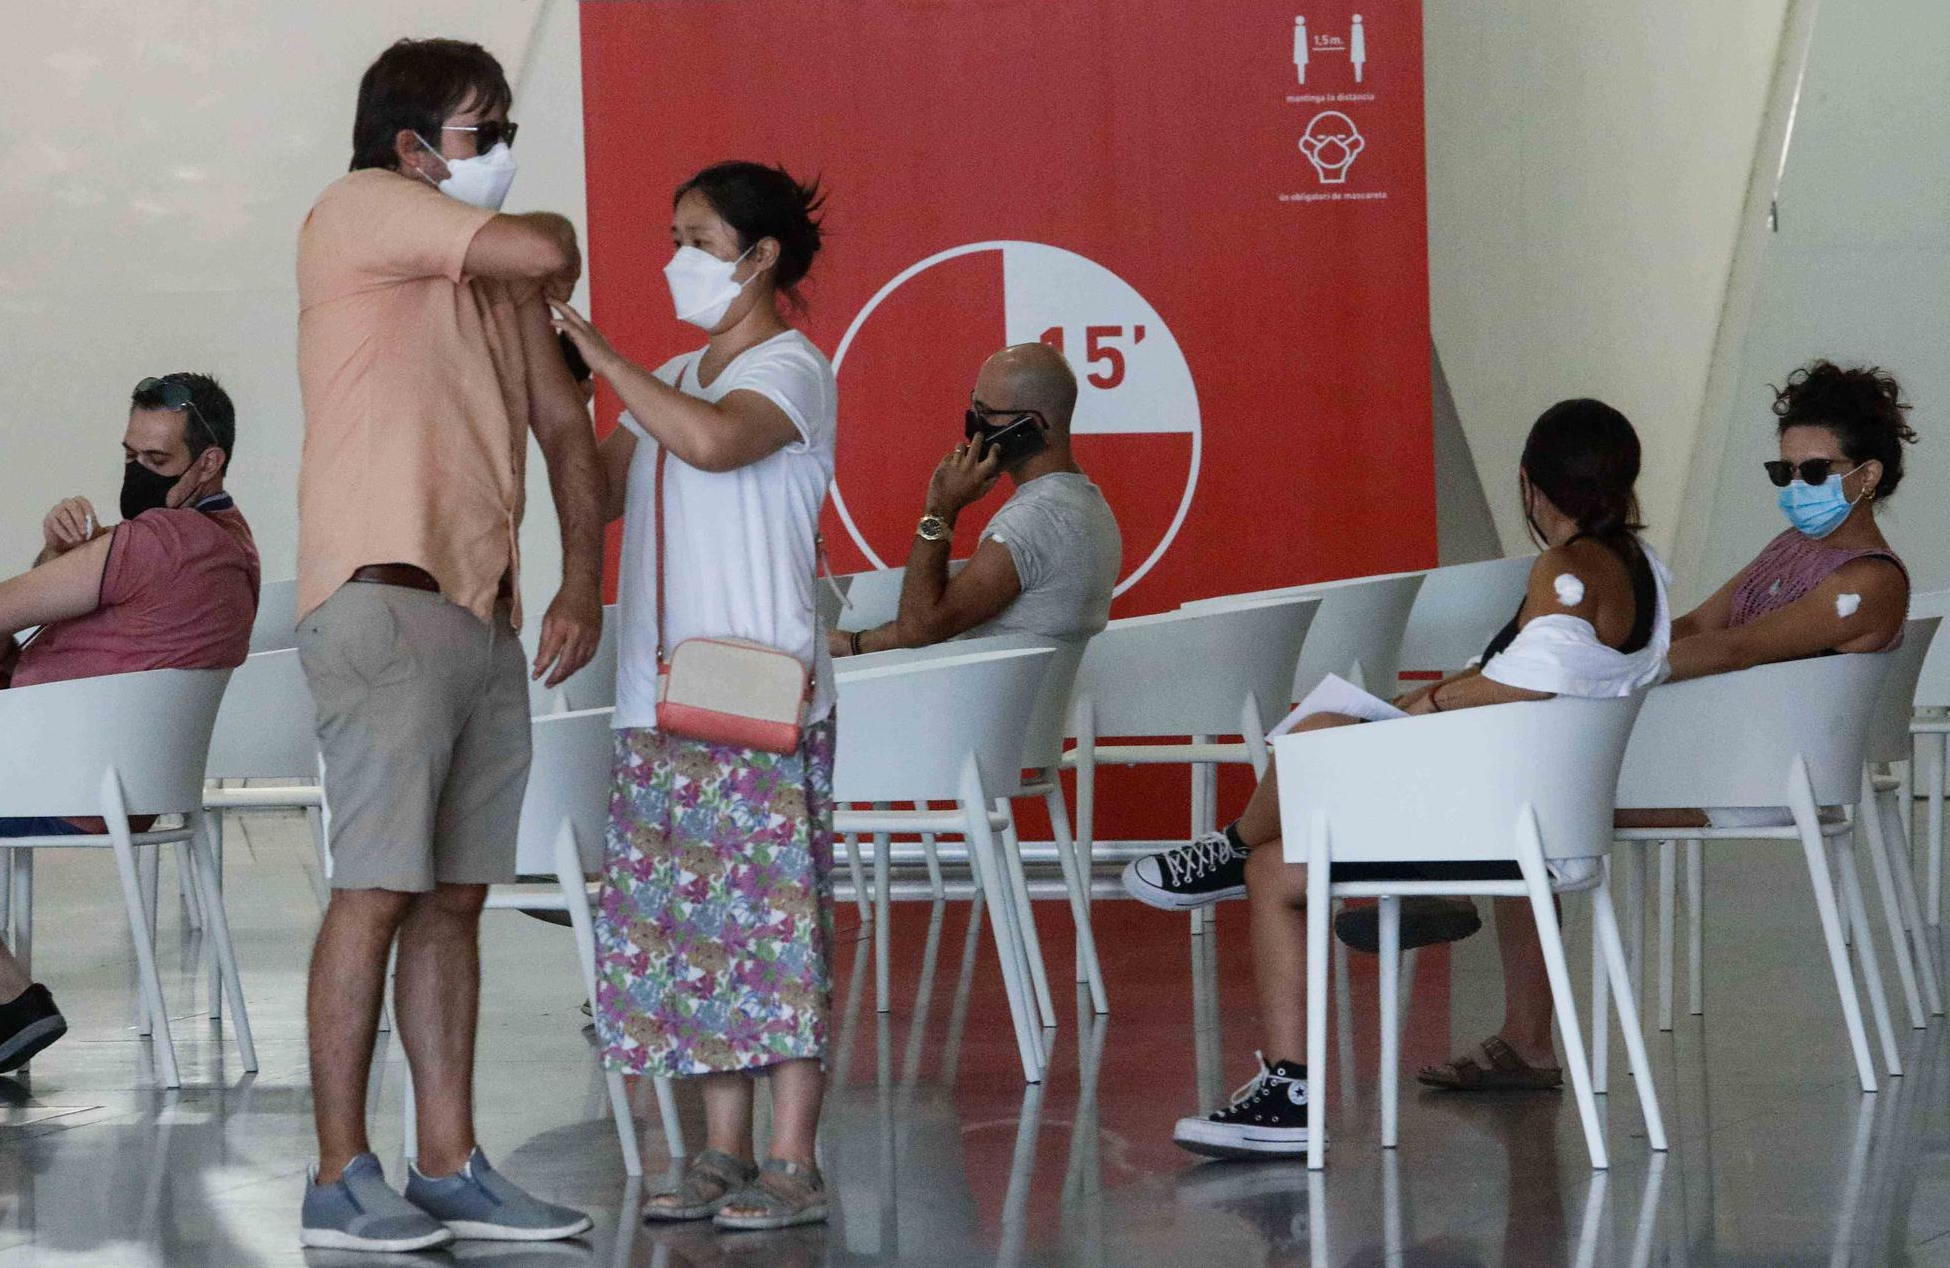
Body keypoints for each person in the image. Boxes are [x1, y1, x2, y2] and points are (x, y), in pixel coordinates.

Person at [1149, 399, 1671, 1158]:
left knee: (1280, 846)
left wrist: (1424, 701)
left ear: (1529, 485)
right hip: (1548, 815)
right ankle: (1254, 859)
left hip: (1491, 820)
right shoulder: (1642, 570)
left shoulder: (1565, 569)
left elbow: (1530, 680)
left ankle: (1286, 1079)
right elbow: (1541, 673)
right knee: (1330, 738)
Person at [294, 37, 604, 1253]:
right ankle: (335, 1175)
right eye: (484, 131)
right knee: (374, 888)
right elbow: (549, 244)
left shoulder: (489, 276)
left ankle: (447, 1161)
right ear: (413, 143)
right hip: (382, 595)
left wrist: (581, 577)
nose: (504, 152)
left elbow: (567, 428)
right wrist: (538, 227)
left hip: (482, 611)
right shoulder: (361, 207)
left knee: (453, 899)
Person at [1414, 361, 1914, 1092]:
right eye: (1783, 469)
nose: (1793, 486)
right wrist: (1616, 646)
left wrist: (1596, 665)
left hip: (1756, 775)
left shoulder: (1870, 580)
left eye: (1813, 470)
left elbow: (1734, 645)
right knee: (1532, 776)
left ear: (1865, 477)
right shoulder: (1794, 550)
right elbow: (1696, 623)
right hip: (1714, 752)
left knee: (1530, 791)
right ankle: (1512, 1006)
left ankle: (1487, 953)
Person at [550, 159, 839, 1232]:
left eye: (697, 239)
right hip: (660, 694)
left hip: (758, 692)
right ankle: (719, 1151)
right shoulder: (675, 368)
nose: (676, 259)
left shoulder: (791, 367)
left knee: (774, 923)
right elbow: (603, 482)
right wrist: (552, 387)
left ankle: (792, 1159)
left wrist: (604, 359)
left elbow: (715, 444)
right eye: (672, 235)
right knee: (698, 933)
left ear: (759, 257)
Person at [0, 373, 257, 1078]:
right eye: (130, 457)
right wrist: (58, 559)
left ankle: (11, 992)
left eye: (156, 463)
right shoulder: (232, 547)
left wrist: (25, 611)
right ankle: (10, 999)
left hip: (51, 779)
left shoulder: (159, 540)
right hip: (124, 787)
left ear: (208, 463)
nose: (135, 475)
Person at [826, 341, 1121, 657]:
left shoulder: (1032, 522)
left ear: (1029, 426)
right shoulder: (1088, 504)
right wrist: (853, 643)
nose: (974, 424)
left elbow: (919, 627)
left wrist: (941, 506)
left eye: (986, 413)